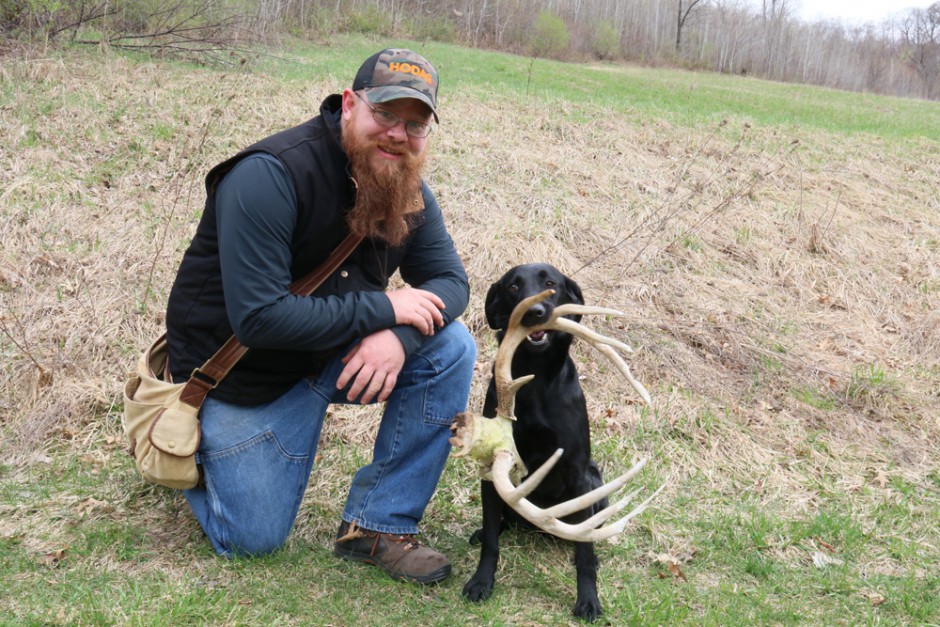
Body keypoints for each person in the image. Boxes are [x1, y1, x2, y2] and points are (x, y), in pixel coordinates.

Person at [164, 48, 476, 585]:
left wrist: (398, 336)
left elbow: (452, 283)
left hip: (323, 357)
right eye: (385, 114)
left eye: (415, 124)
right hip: (245, 379)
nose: (398, 135)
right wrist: (384, 306)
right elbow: (259, 319)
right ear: (349, 104)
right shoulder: (270, 174)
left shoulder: (405, 187)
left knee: (450, 347)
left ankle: (377, 527)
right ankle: (188, 454)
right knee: (251, 542)